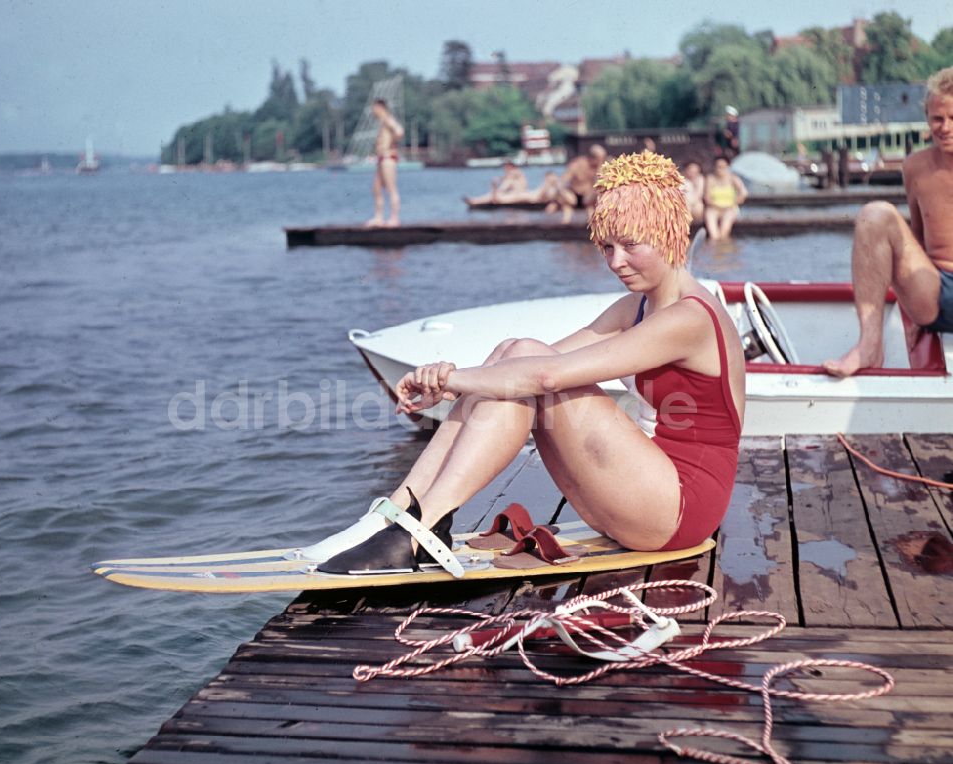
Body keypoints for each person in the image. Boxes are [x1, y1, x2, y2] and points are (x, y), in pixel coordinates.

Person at [302, 151, 745, 575]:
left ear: (670, 232)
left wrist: (456, 379)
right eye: (607, 247)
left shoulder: (690, 317)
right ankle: (400, 513)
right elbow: (530, 357)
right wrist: (449, 381)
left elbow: (546, 374)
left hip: (680, 508)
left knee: (523, 369)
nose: (616, 262)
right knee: (515, 353)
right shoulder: (637, 306)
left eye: (630, 245)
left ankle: (420, 529)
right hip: (641, 493)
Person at [824, 66, 953, 377]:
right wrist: (909, 311)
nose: (945, 127)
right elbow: (916, 242)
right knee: (876, 214)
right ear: (926, 118)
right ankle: (869, 344)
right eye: (938, 118)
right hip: (935, 290)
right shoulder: (914, 166)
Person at [545, 144, 608, 224]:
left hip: (588, 198)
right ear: (592, 157)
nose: (602, 161)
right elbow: (563, 180)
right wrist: (560, 194)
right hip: (573, 195)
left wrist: (599, 168)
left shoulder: (600, 167)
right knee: (566, 204)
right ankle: (562, 222)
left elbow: (600, 183)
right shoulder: (577, 164)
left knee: (593, 201)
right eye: (600, 159)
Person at [367, 99, 404, 227]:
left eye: (374, 108)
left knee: (391, 188)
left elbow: (399, 131)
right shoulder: (382, 122)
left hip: (388, 158)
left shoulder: (388, 119)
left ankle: (394, 218)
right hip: (381, 158)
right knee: (376, 188)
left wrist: (391, 144)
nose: (373, 111)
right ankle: (379, 218)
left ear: (380, 107)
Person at [703, 156, 748, 240]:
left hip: (730, 208)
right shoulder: (710, 179)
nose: (720, 169)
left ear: (728, 167)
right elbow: (707, 197)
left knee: (724, 231)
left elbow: (743, 193)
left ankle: (724, 248)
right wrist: (717, 206)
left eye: (723, 167)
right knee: (713, 233)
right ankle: (714, 247)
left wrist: (735, 202)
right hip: (713, 207)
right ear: (714, 167)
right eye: (718, 167)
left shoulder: (733, 178)